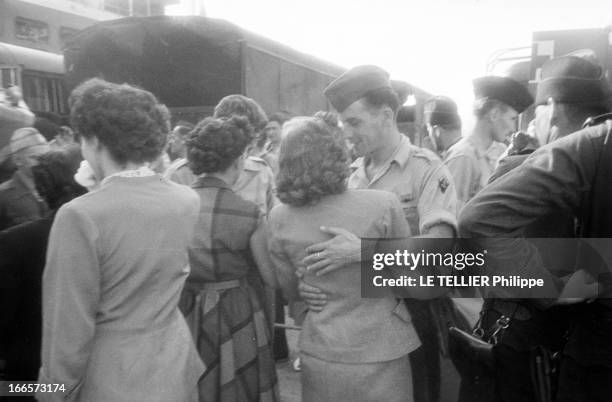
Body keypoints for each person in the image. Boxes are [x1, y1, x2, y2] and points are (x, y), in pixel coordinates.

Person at [37, 78, 204, 401]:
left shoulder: (79, 216)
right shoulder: (186, 200)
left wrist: (51, 393)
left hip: (111, 379)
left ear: (96, 141)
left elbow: (67, 331)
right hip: (172, 366)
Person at [300, 65, 459, 402]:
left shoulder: (425, 169)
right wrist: (307, 285)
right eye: (343, 123)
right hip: (356, 323)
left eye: (354, 122)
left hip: (412, 312)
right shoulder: (349, 175)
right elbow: (327, 243)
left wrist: (366, 251)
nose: (346, 132)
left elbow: (440, 245)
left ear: (386, 116)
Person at [466, 54, 612, 402]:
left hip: (529, 340)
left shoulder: (530, 166)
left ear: (552, 108)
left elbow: (477, 229)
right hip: (552, 343)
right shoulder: (592, 159)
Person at [269, 116, 418, 401]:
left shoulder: (280, 218)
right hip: (383, 345)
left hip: (323, 346)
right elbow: (411, 281)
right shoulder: (382, 204)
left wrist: (304, 288)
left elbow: (289, 291)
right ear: (339, 156)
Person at [179, 116, 279, 401]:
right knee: (241, 384)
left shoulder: (175, 205)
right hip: (237, 309)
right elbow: (270, 277)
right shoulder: (248, 213)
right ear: (237, 160)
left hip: (186, 307)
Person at [0, 146, 86, 389]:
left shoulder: (14, 242)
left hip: (31, 372)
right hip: (94, 368)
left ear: (41, 189)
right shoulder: (108, 232)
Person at [444, 76, 532, 210]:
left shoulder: (500, 150)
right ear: (494, 114)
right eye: (512, 118)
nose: (513, 128)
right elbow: (452, 216)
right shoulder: (462, 157)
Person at [0, 127, 50, 230]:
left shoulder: (55, 186)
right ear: (17, 160)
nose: (43, 163)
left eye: (46, 157)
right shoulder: (3, 195)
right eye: (35, 158)